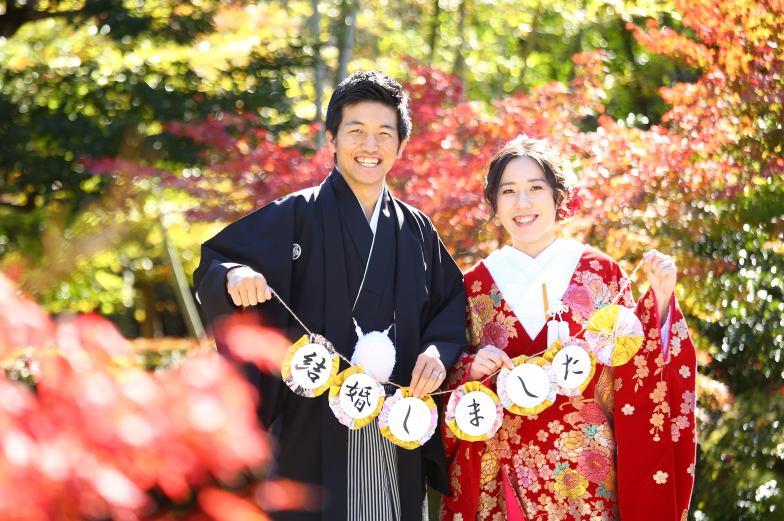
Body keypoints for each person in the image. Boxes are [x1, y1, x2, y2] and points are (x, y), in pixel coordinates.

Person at [193, 71, 467, 521]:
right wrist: (234, 275)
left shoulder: (417, 230)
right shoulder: (298, 215)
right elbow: (215, 262)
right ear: (331, 138)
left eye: (384, 134)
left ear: (400, 147)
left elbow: (448, 306)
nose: (370, 145)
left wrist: (438, 351)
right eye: (356, 131)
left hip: (398, 417)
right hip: (313, 418)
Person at [440, 136, 697, 521]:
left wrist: (659, 302)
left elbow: (637, 366)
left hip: (589, 470)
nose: (522, 203)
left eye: (535, 188)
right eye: (508, 191)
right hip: (502, 472)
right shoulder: (473, 284)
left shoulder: (600, 271)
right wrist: (469, 369)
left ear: (560, 197)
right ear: (494, 202)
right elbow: (447, 374)